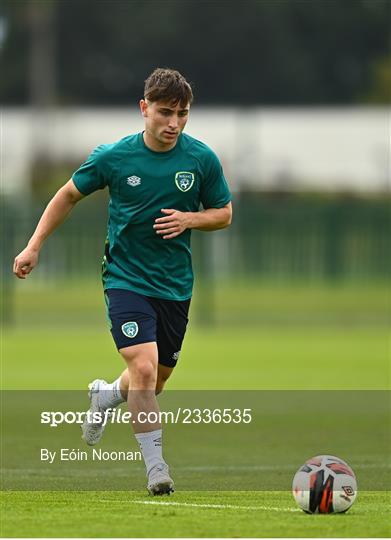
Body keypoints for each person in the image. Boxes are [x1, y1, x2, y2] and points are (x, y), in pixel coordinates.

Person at [13, 68, 232, 495]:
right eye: (166, 113)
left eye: (183, 114)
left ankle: (107, 395)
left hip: (175, 285)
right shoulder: (114, 157)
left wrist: (191, 218)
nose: (174, 123)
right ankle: (156, 469)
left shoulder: (201, 159)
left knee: (156, 378)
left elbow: (224, 213)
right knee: (145, 367)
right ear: (143, 108)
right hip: (125, 278)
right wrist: (34, 245)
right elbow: (67, 195)